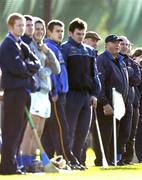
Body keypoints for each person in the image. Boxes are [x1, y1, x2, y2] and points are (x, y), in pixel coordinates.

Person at [18, 17, 60, 172]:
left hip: (45, 93)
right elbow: (36, 70)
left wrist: (47, 51)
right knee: (31, 131)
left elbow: (57, 69)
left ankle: (33, 161)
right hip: (34, 92)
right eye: (37, 28)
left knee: (40, 131)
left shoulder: (43, 47)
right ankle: (25, 163)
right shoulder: (28, 46)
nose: (40, 31)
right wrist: (45, 70)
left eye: (42, 29)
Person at [0, 13, 40, 175]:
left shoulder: (21, 44)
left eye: (24, 25)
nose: (22, 28)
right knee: (11, 131)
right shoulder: (8, 45)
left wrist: (27, 67)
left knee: (19, 131)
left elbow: (36, 62)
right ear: (11, 27)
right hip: (14, 93)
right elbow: (18, 68)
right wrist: (28, 68)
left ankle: (12, 164)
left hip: (24, 92)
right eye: (19, 26)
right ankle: (7, 166)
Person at [41, 19, 82, 170]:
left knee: (51, 130)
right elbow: (50, 74)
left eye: (62, 31)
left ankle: (52, 162)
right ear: (49, 32)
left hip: (61, 95)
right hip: (55, 95)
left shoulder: (57, 48)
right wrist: (55, 91)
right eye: (57, 31)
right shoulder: (49, 47)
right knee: (61, 129)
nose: (60, 34)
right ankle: (68, 159)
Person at [61, 18, 101, 166]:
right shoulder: (64, 49)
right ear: (71, 33)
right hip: (71, 95)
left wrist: (95, 94)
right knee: (70, 130)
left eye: (83, 34)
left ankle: (77, 160)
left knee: (83, 132)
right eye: (78, 33)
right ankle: (68, 161)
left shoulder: (89, 51)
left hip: (87, 97)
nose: (81, 36)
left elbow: (94, 74)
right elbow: (62, 73)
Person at [93, 34, 129, 166]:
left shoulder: (120, 60)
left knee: (114, 135)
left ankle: (111, 160)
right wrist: (105, 103)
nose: (117, 45)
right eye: (114, 42)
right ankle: (102, 161)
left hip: (119, 104)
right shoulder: (102, 60)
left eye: (118, 43)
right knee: (105, 135)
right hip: (106, 105)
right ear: (106, 44)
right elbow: (99, 84)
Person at [117, 36, 141, 165]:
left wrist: (127, 73)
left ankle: (128, 158)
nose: (125, 46)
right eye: (122, 44)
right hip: (118, 101)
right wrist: (127, 74)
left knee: (131, 133)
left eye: (127, 44)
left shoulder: (134, 63)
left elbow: (137, 80)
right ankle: (118, 157)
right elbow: (118, 79)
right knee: (120, 131)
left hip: (133, 102)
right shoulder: (115, 60)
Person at [81, 31, 101, 166]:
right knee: (81, 132)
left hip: (91, 98)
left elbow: (96, 79)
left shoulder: (94, 55)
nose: (95, 43)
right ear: (85, 40)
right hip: (79, 97)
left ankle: (81, 160)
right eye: (92, 40)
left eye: (96, 41)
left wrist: (95, 94)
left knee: (86, 132)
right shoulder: (82, 54)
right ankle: (79, 160)